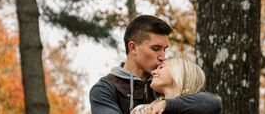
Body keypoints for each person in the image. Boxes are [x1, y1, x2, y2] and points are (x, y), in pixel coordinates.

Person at [89, 15, 222, 114]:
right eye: (156, 48)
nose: (163, 57)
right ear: (133, 48)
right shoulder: (105, 89)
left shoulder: (164, 81)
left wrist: (166, 104)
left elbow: (213, 102)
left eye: (165, 49)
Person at [131, 57, 216, 114]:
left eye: (161, 67)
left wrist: (166, 104)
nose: (153, 72)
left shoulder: (198, 108)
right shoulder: (142, 110)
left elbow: (215, 103)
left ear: (179, 73)